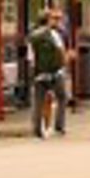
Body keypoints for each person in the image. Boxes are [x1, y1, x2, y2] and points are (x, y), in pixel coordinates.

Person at [25, 7, 70, 138]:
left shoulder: (32, 36)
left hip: (39, 73)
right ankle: (59, 126)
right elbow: (61, 51)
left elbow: (30, 57)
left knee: (38, 102)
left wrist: (34, 71)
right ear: (48, 20)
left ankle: (37, 129)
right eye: (54, 18)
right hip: (55, 72)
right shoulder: (54, 34)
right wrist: (64, 64)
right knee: (62, 97)